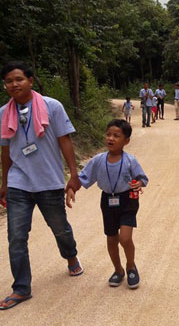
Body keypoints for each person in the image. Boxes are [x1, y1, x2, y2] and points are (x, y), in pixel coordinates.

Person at [0, 61, 83, 310]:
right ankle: (21, 288)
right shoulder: (4, 112)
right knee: (16, 237)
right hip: (18, 182)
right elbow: (5, 150)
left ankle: (70, 256)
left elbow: (64, 140)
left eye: (19, 79)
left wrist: (73, 174)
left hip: (48, 181)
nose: (14, 85)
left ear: (31, 81)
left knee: (60, 228)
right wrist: (4, 182)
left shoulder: (51, 106)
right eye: (8, 81)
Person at [68, 119, 148, 289]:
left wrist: (139, 183)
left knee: (125, 238)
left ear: (126, 141)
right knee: (111, 238)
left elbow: (142, 178)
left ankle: (131, 266)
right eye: (109, 134)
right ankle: (118, 270)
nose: (111, 138)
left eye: (116, 136)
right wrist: (72, 189)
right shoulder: (98, 160)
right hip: (107, 201)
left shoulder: (130, 161)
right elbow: (83, 178)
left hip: (128, 201)